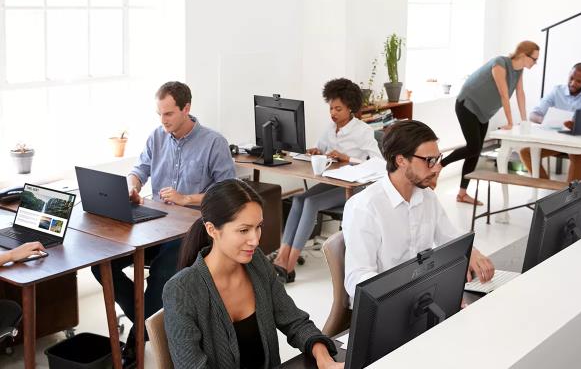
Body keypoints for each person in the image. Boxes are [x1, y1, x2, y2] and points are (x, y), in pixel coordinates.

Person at [91, 81, 236, 365]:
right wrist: (132, 186)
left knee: (163, 269)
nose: (163, 120)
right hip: (155, 223)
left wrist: (187, 198)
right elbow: (139, 170)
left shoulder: (212, 142)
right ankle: (147, 322)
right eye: (159, 114)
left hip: (193, 229)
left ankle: (139, 336)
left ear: (186, 109)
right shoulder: (156, 137)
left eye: (168, 114)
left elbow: (228, 192)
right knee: (102, 264)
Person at [163, 179, 342, 369]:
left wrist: (323, 358)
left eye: (258, 227)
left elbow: (295, 322)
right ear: (212, 230)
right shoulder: (181, 290)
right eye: (244, 230)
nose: (255, 240)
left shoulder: (257, 263)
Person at [343, 120, 495, 307]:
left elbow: (449, 237)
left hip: (422, 298)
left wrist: (472, 253)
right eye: (429, 161)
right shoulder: (365, 207)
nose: (438, 168)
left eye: (438, 159)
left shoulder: (426, 197)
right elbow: (357, 279)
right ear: (401, 160)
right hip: (387, 307)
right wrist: (408, 296)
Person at [272, 78, 382, 283]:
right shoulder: (330, 128)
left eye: (338, 109)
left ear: (350, 108)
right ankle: (280, 257)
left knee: (312, 202)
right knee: (298, 200)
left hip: (353, 187)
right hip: (333, 182)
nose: (333, 113)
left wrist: (349, 158)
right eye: (331, 108)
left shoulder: (363, 131)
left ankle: (289, 266)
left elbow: (379, 162)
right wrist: (316, 151)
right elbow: (321, 148)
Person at [439, 41, 539, 205]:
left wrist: (524, 121)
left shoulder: (519, 71)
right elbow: (504, 94)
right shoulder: (500, 64)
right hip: (467, 104)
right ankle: (440, 165)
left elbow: (520, 94)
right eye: (534, 59)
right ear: (523, 54)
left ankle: (462, 194)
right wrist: (510, 122)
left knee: (475, 151)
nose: (535, 63)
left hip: (483, 112)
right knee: (473, 147)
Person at [520, 63, 581, 181]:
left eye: (578, 81)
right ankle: (547, 187)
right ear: (568, 74)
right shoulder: (557, 91)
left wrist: (578, 124)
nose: (573, 83)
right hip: (558, 141)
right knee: (526, 152)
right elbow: (533, 115)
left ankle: (572, 197)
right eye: (571, 78)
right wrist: (547, 121)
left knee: (576, 154)